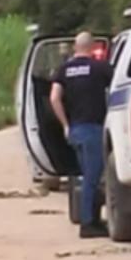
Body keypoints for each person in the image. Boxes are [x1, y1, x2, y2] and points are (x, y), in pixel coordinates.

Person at [50, 32, 112, 239]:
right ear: (92, 47)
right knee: (92, 179)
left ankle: (92, 220)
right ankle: (88, 224)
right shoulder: (100, 68)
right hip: (94, 129)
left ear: (75, 47)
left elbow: (54, 98)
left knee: (86, 176)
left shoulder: (64, 70)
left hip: (75, 130)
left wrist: (65, 125)